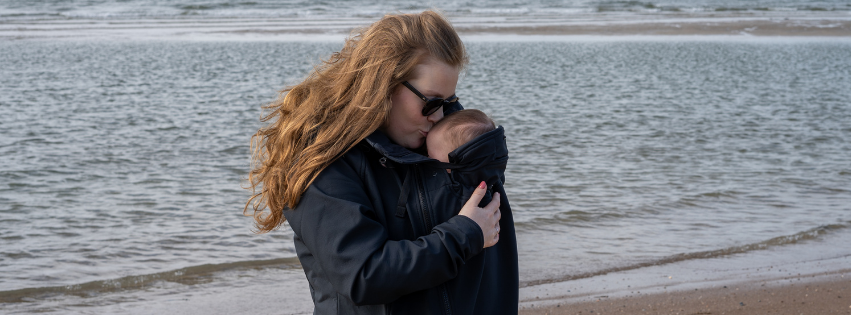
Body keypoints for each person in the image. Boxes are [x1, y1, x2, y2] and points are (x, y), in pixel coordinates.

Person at [245, 11, 518, 314]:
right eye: (431, 102)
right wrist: (463, 236)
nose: (440, 116)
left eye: (449, 102)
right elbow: (363, 274)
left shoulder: (452, 145)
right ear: (384, 84)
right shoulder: (320, 160)